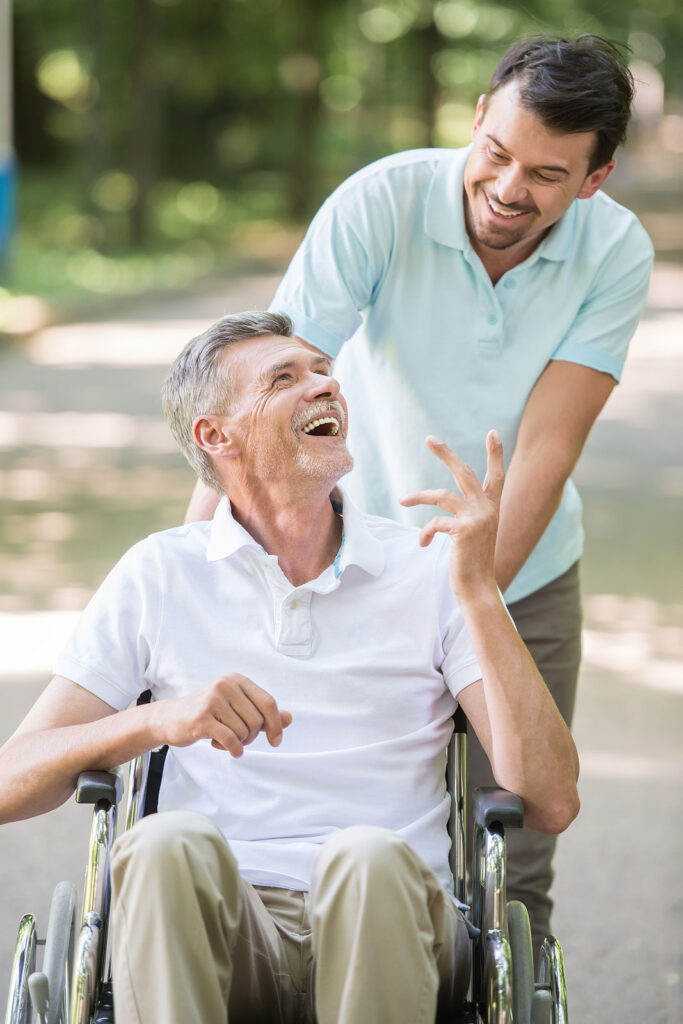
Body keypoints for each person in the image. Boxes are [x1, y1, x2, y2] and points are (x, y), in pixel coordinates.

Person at [185, 34, 654, 951]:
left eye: (548, 175)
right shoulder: (381, 201)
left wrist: (463, 601)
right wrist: (195, 575)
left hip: (518, 570)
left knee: (509, 852)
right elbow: (259, 397)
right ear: (475, 120)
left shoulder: (615, 250)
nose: (509, 188)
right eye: (496, 153)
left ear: (594, 179)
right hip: (346, 563)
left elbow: (546, 451)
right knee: (315, 816)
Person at [0, 312, 579, 1024]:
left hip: (396, 922)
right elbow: (9, 782)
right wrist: (151, 720)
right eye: (285, 378)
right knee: (158, 844)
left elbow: (549, 800)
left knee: (365, 857)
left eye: (321, 371)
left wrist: (479, 592)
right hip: (219, 930)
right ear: (217, 436)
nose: (324, 385)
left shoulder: (430, 568)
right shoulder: (160, 573)